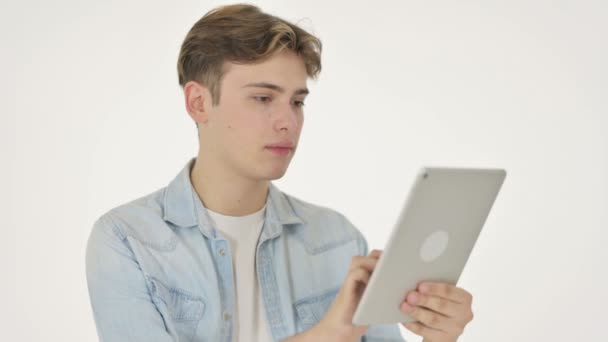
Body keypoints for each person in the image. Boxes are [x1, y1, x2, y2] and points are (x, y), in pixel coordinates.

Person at [85, 4, 474, 342]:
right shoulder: (128, 241)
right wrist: (325, 337)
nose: (288, 121)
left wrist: (439, 336)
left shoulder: (338, 240)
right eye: (263, 98)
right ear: (199, 103)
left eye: (297, 102)